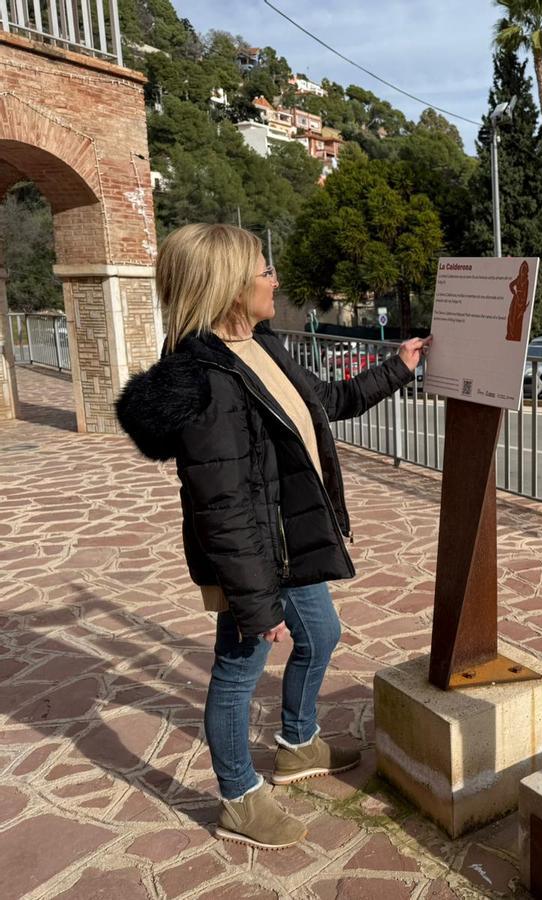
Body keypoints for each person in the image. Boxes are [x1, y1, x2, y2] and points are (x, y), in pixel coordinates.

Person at [116, 223, 430, 849]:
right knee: (237, 670)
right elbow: (224, 507)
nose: (275, 280)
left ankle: (296, 742)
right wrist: (256, 605)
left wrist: (398, 367)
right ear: (230, 286)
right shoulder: (207, 381)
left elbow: (328, 401)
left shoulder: (262, 346)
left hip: (287, 545)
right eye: (264, 270)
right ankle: (238, 796)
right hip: (255, 559)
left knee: (324, 633)